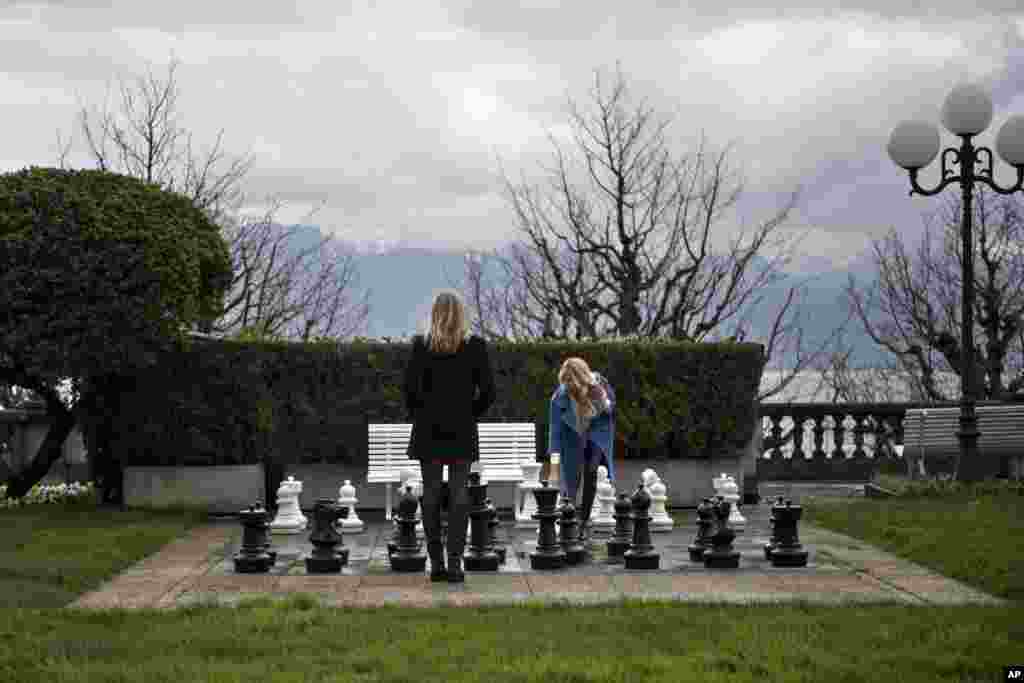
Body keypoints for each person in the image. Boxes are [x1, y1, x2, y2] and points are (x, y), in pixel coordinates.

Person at [403, 291, 496, 582]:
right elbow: (489, 392)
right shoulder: (475, 346)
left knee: (430, 494)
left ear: (435, 313)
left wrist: (424, 413)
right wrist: (469, 413)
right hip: (461, 429)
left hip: (428, 429)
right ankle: (455, 564)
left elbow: (410, 392)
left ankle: (436, 564)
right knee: (459, 494)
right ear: (461, 314)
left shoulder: (421, 345)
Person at [547, 357, 616, 542]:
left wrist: (601, 398)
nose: (568, 388)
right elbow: (554, 436)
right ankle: (567, 522)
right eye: (565, 383)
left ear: (581, 380)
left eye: (572, 383)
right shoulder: (558, 399)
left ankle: (584, 523)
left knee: (591, 470)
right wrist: (553, 470)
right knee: (569, 480)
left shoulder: (598, 386)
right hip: (572, 438)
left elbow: (611, 411)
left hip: (596, 433)